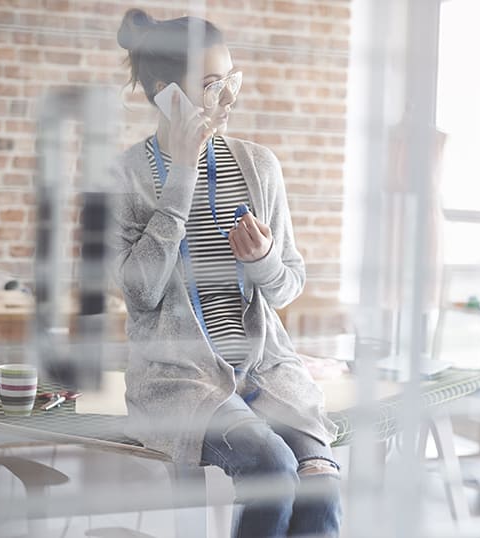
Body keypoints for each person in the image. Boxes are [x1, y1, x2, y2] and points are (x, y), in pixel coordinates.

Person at [110, 8, 341, 538]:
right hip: (180, 379)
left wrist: (262, 260)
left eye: (231, 80)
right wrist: (184, 176)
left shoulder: (259, 166)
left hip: (265, 371)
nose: (230, 99)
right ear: (167, 94)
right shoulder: (123, 176)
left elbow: (288, 286)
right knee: (273, 470)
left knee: (319, 483)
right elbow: (140, 294)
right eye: (213, 86)